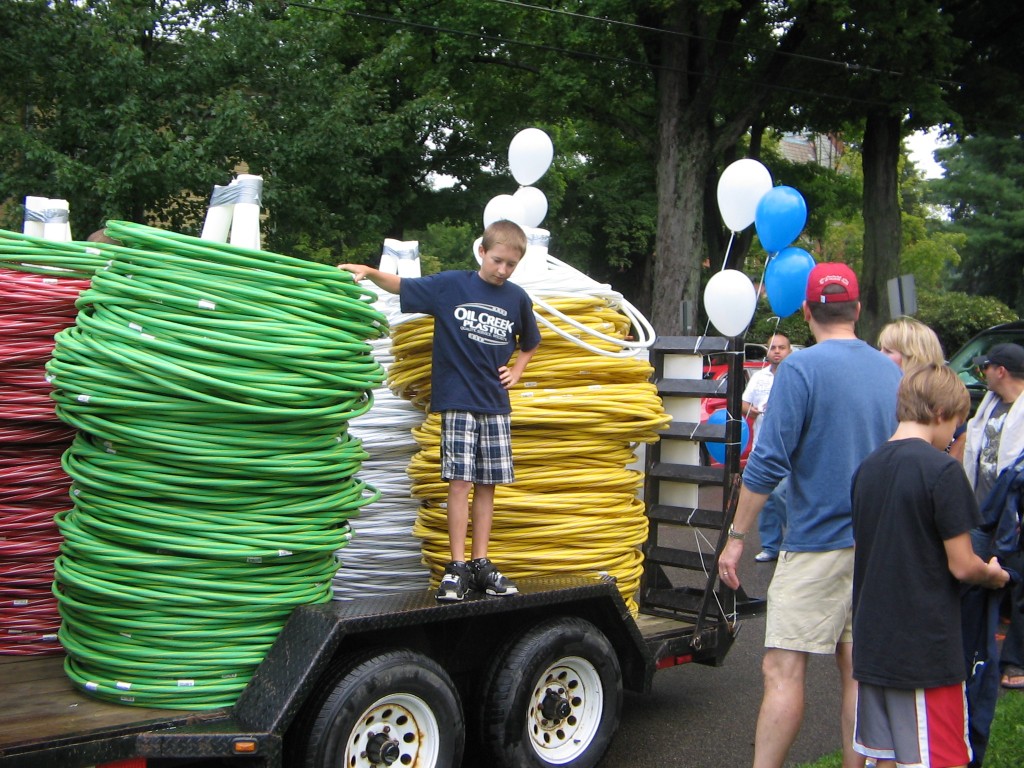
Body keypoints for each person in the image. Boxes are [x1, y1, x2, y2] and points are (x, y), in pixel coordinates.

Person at [718, 263, 903, 768]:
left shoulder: (799, 369)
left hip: (817, 542)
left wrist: (736, 537)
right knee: (857, 673)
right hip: (877, 547)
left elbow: (768, 461)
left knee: (782, 669)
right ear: (859, 310)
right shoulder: (891, 372)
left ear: (806, 312)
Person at [340, 220, 541, 602]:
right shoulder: (451, 286)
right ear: (482, 251)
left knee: (487, 486)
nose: (502, 270)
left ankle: (482, 563)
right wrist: (368, 272)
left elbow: (530, 341)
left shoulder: (516, 298)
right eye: (497, 260)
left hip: (495, 405)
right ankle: (457, 567)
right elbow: (403, 286)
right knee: (459, 483)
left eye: (510, 265)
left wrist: (516, 369)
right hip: (458, 401)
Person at [850, 364, 1009, 768]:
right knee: (942, 759)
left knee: (884, 759)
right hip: (923, 651)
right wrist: (993, 575)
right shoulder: (941, 470)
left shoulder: (867, 468)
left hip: (874, 644)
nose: (955, 434)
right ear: (940, 412)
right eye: (956, 423)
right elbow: (962, 565)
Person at [962, 343, 1024, 689]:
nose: (981, 372)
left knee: (1018, 590)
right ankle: (974, 654)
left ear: (1001, 370)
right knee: (974, 583)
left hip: (1016, 518)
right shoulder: (989, 403)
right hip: (982, 511)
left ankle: (1015, 663)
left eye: (986, 367)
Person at [741, 333, 793, 563]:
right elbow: (744, 403)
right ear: (767, 351)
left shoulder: (795, 375)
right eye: (773, 348)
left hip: (790, 449)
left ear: (789, 351)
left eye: (782, 347)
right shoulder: (759, 377)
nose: (777, 351)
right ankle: (771, 546)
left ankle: (793, 543)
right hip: (763, 445)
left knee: (784, 495)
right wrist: (750, 409)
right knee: (767, 498)